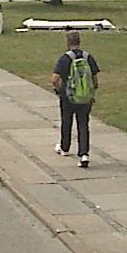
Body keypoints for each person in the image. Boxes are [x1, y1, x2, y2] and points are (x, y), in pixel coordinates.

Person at [50, 30, 100, 167]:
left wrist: (59, 90)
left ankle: (64, 147)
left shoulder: (65, 59)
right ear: (79, 42)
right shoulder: (88, 57)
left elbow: (54, 79)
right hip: (85, 97)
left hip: (68, 96)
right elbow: (95, 79)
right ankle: (84, 154)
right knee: (83, 124)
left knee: (67, 121)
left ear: (68, 43)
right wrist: (91, 91)